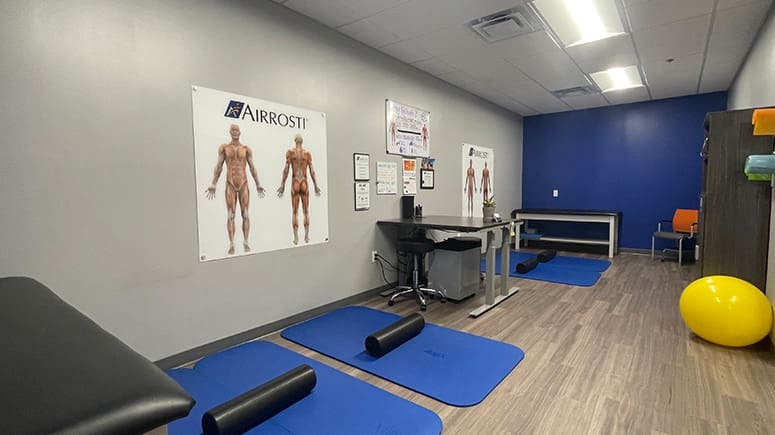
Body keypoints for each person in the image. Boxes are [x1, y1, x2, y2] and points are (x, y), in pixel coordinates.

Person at [206, 124, 265, 255]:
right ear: (229, 132)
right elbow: (219, 166)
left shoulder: (246, 149)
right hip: (230, 183)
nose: (234, 132)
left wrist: (258, 184)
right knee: (231, 215)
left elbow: (252, 167)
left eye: (236, 130)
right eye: (232, 130)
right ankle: (232, 243)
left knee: (245, 214)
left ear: (240, 132)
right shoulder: (224, 148)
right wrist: (213, 184)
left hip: (243, 183)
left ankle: (246, 241)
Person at [277, 134, 322, 244]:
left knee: (295, 212)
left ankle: (296, 238)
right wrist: (316, 185)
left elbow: (286, 169)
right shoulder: (307, 154)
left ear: (295, 141)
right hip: (304, 182)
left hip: (295, 182)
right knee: (306, 211)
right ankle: (306, 237)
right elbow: (312, 170)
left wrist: (282, 185)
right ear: (302, 141)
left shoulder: (290, 153)